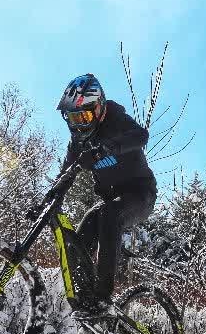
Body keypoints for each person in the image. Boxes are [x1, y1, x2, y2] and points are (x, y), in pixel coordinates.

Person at [54, 73, 156, 318]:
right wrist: (50, 198)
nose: (78, 124)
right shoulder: (78, 143)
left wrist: (107, 148)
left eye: (84, 116)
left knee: (110, 214)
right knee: (78, 241)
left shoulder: (116, 119)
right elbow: (65, 175)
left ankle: (103, 299)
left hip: (140, 194)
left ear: (99, 108)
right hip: (110, 200)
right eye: (72, 118)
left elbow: (141, 136)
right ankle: (86, 302)